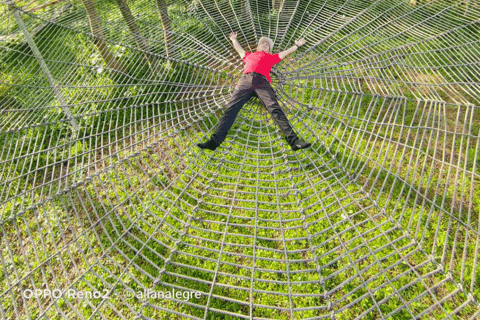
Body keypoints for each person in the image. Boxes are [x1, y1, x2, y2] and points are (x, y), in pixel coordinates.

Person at [197, 32, 311, 151]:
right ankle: (214, 142)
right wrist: (234, 40)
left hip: (262, 82)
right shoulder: (249, 55)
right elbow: (239, 50)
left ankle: (294, 141)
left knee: (274, 108)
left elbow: (285, 53)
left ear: (269, 50)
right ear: (257, 47)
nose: (264, 44)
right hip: (245, 80)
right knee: (231, 109)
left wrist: (296, 46)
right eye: (262, 43)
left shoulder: (271, 57)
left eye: (267, 45)